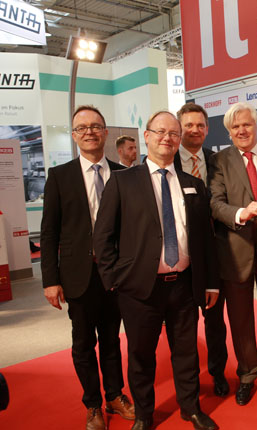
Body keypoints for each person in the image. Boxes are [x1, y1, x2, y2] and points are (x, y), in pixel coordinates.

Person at [94, 111, 220, 430]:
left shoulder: (193, 184)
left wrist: (211, 284)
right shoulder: (122, 181)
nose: (167, 137)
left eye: (174, 133)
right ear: (146, 136)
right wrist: (114, 281)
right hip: (139, 289)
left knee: (187, 353)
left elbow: (205, 239)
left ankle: (190, 408)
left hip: (184, 286)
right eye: (160, 132)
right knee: (140, 356)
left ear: (179, 141)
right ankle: (144, 414)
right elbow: (103, 235)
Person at [41, 105, 134, 430]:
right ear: (74, 134)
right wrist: (50, 280)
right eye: (82, 128)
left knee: (111, 340)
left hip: (115, 275)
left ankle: (114, 395)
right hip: (78, 276)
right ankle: (92, 404)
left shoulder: (123, 174)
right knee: (83, 344)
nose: (90, 132)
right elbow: (49, 231)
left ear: (106, 132)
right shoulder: (60, 176)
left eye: (96, 126)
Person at [209, 102, 257, 406]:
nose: (242, 130)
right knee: (240, 319)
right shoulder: (219, 161)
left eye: (247, 124)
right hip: (234, 252)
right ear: (229, 132)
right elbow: (215, 203)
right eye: (235, 126)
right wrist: (241, 212)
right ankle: (247, 374)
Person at [175, 102, 228, 397]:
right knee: (184, 327)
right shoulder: (167, 161)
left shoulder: (216, 160)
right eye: (189, 125)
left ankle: (218, 373)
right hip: (182, 257)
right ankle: (189, 382)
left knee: (215, 322)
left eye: (200, 125)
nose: (195, 130)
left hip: (216, 255)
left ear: (207, 129)